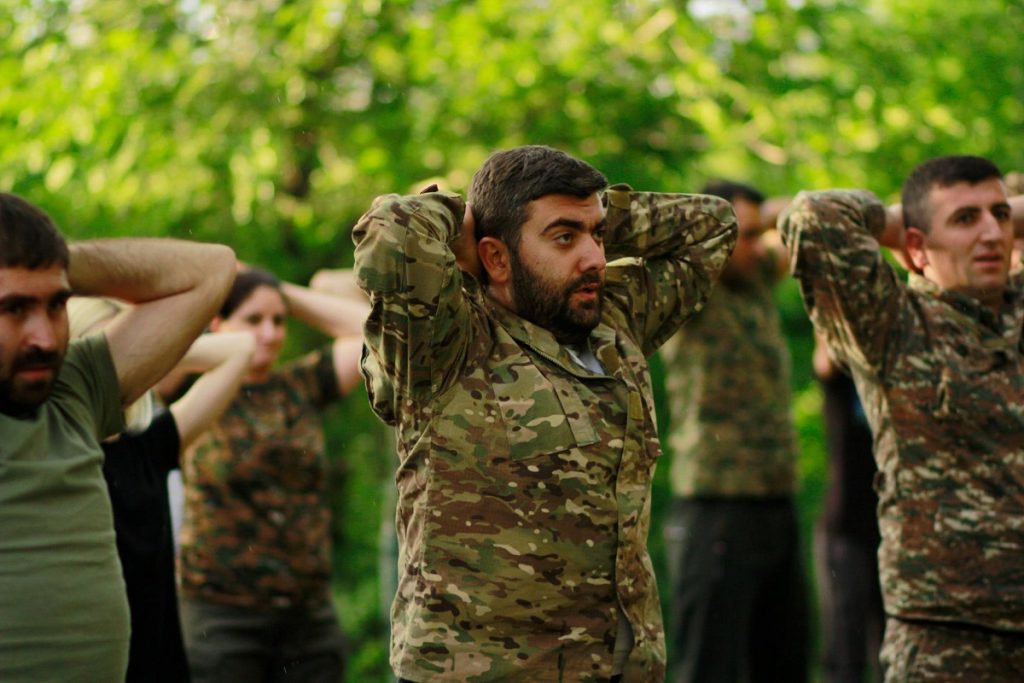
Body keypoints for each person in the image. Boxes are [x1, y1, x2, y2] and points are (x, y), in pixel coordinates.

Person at [352, 144, 737, 682]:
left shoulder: (613, 322)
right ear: (495, 258)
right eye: (564, 238)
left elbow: (713, 225)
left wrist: (602, 217)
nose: (596, 259)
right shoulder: (446, 343)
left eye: (597, 237)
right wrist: (469, 215)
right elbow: (390, 233)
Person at [779, 155, 1024, 681]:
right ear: (914, 246)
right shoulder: (894, 325)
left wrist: (992, 218)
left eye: (999, 215)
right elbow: (812, 217)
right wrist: (902, 225)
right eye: (965, 219)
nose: (989, 234)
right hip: (946, 637)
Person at [0, 192, 235, 682]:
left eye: (57, 303)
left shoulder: (72, 391)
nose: (44, 337)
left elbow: (212, 269)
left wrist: (55, 260)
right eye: (15, 308)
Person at [177, 267, 369, 683]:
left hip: (307, 619)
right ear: (218, 324)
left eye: (278, 321)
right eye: (253, 319)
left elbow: (373, 331)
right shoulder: (194, 390)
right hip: (222, 619)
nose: (270, 333)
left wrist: (278, 290)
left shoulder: (299, 386)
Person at [659, 180, 808, 683]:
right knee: (709, 666)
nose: (753, 245)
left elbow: (799, 224)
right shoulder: (693, 289)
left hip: (775, 499)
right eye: (739, 236)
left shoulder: (758, 282)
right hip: (715, 504)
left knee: (785, 661)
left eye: (754, 234)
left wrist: (769, 218)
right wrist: (738, 221)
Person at [67, 297, 257, 683]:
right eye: (98, 353)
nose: (111, 367)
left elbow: (239, 349)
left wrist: (145, 347)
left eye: (122, 353)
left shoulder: (149, 446)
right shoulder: (50, 456)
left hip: (158, 665)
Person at [811, 331, 884, 683]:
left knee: (891, 654)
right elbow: (825, 350)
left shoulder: (899, 377)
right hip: (845, 533)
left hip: (892, 534)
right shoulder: (839, 376)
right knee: (844, 656)